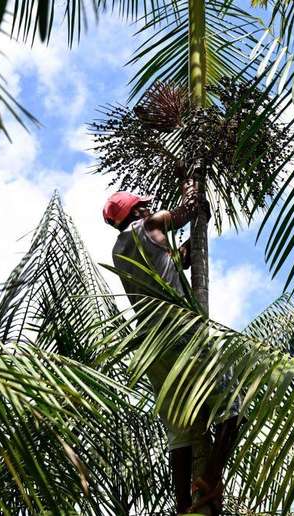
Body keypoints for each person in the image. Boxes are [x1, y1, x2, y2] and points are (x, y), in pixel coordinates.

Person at [103, 172, 239, 515]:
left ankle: (182, 507)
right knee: (232, 407)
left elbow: (171, 264)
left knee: (180, 435)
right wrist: (191, 189)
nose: (148, 207)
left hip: (153, 347)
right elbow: (185, 211)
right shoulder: (149, 223)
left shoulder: (121, 250)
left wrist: (191, 247)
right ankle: (209, 480)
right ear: (136, 213)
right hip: (182, 333)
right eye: (143, 206)